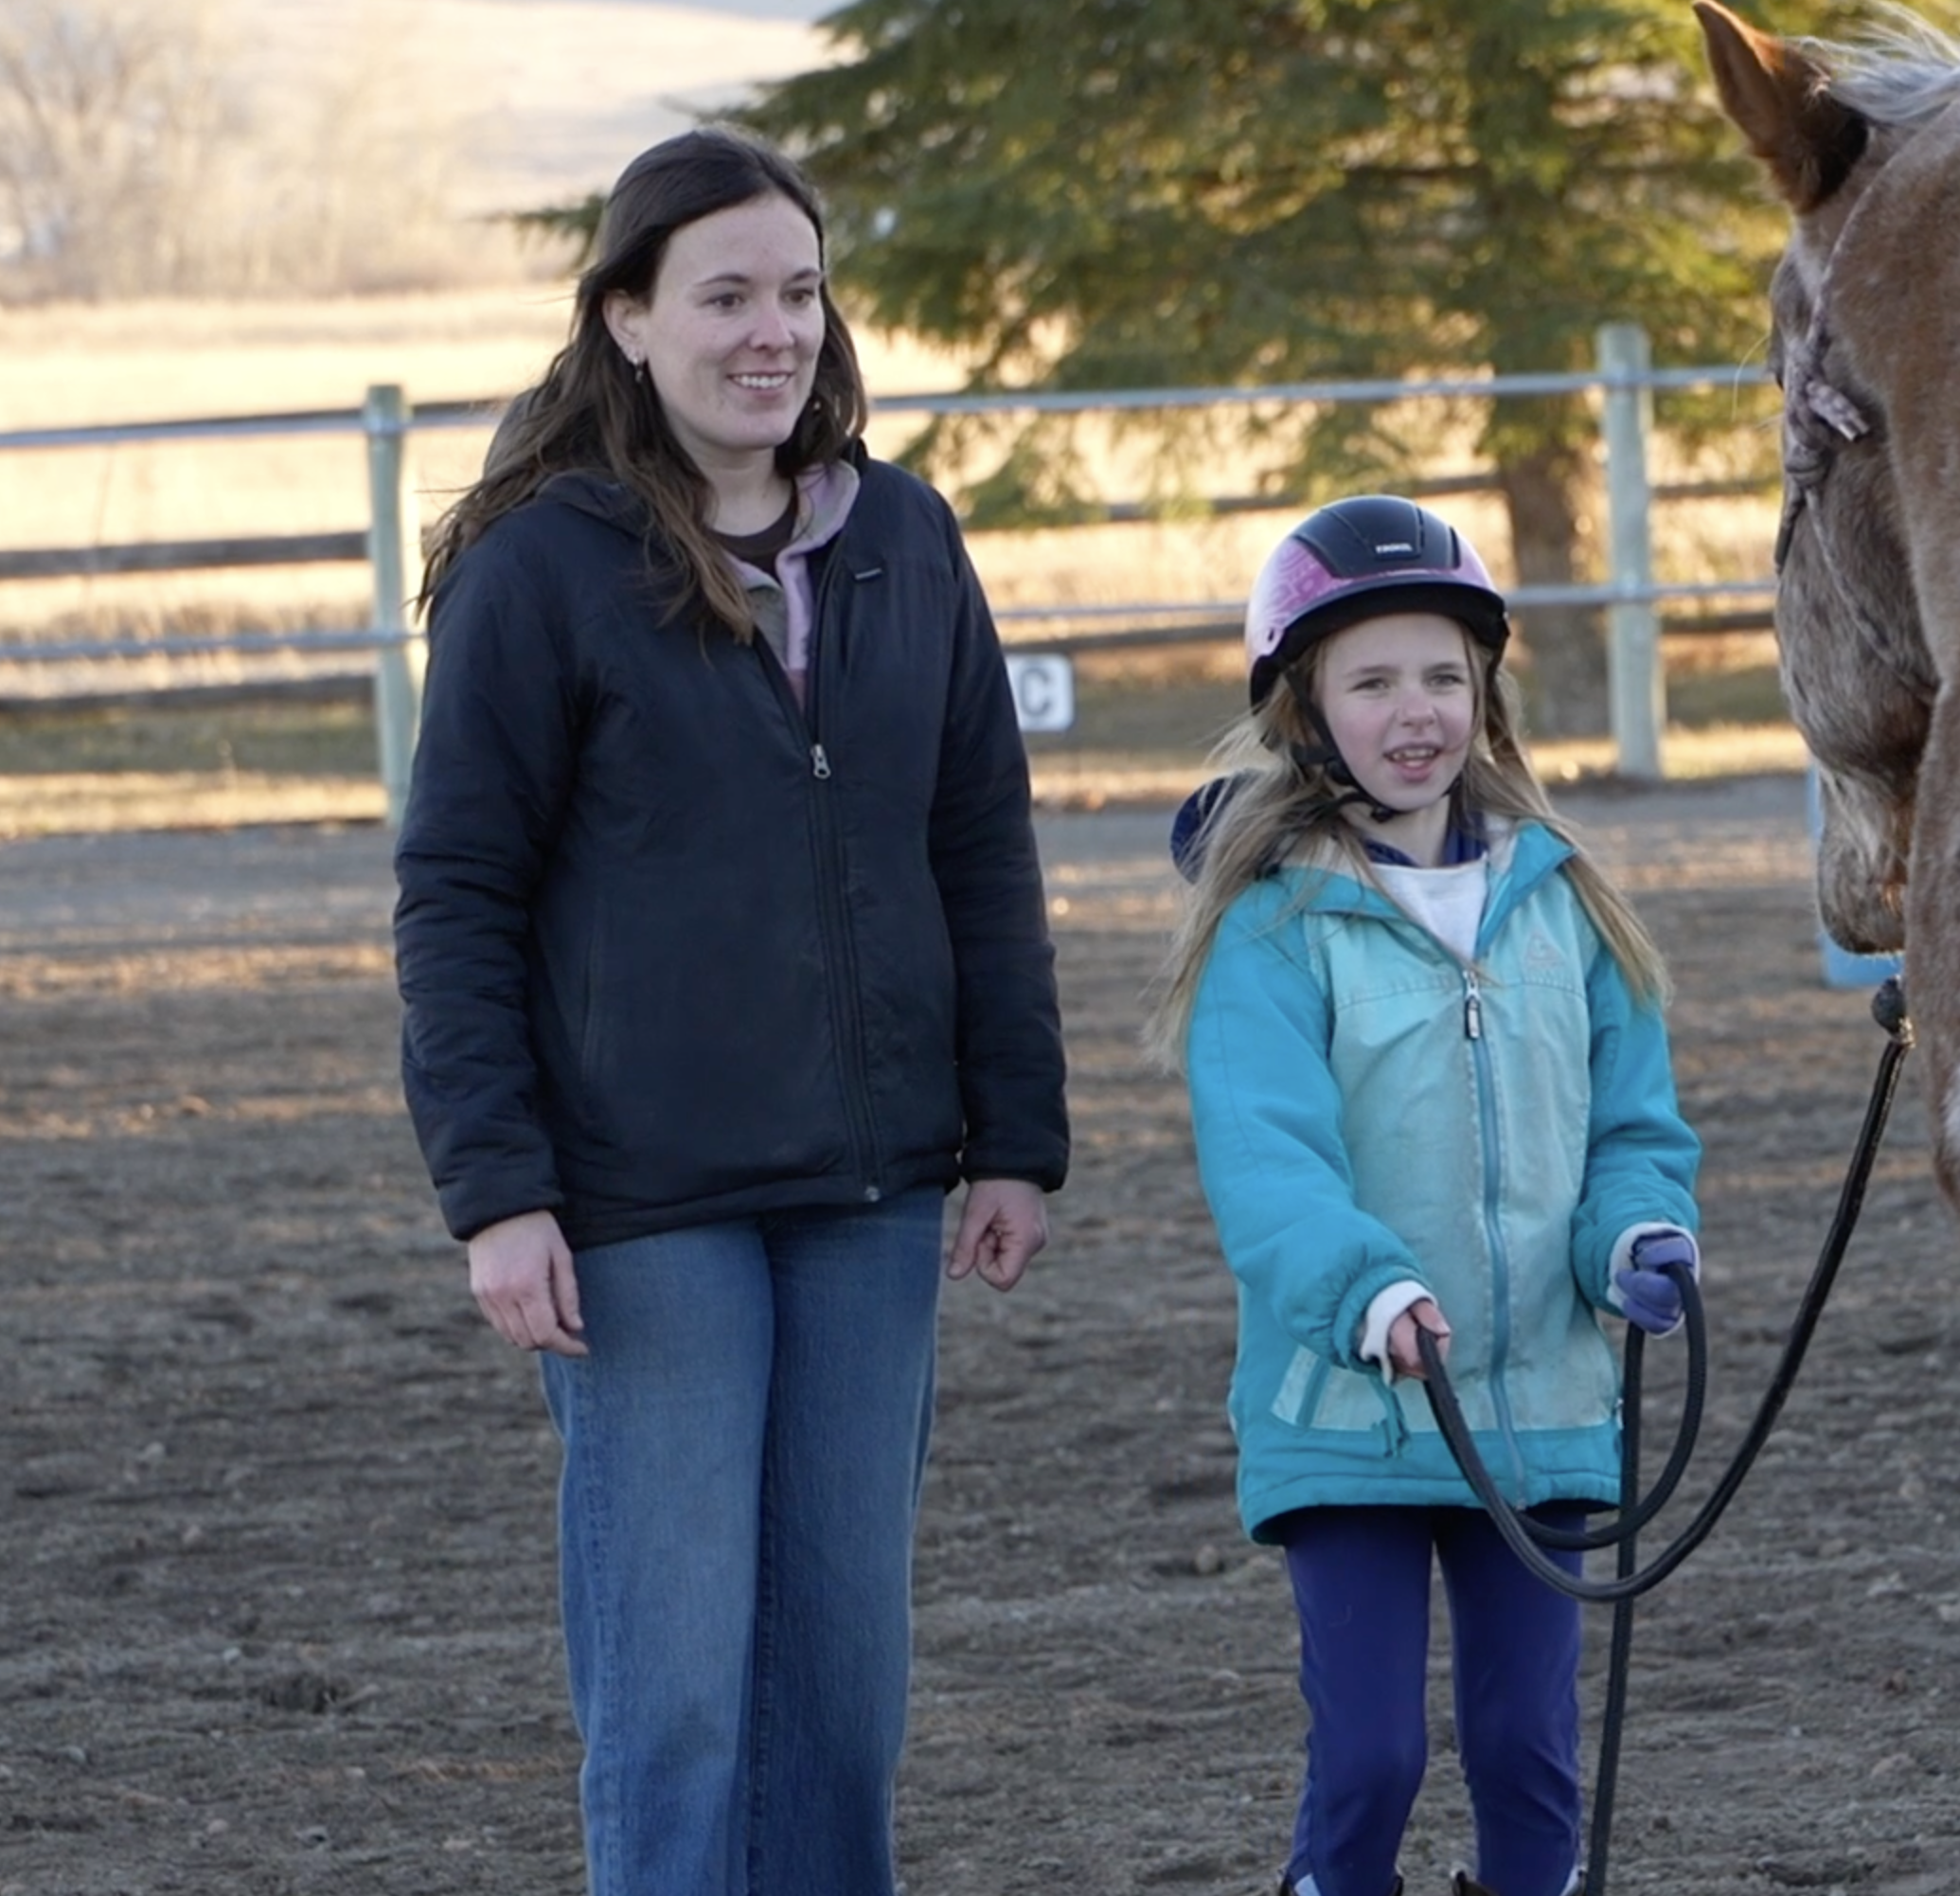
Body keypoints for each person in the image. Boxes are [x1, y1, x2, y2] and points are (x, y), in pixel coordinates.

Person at [390, 124, 1069, 1896]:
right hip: (637, 1208)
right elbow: (456, 891)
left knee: (846, 1695)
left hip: (869, 1195)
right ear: (626, 318)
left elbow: (982, 848)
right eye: (723, 296)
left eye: (798, 290)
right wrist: (497, 1187)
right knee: (679, 1694)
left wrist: (1017, 1138)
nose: (771, 330)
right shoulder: (542, 572)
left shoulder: (907, 538)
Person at [1151, 495, 1705, 1896]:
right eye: (1375, 679)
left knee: (1529, 1751)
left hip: (1546, 1407)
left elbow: (1631, 1126)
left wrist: (1636, 1231)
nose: (1417, 712)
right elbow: (1268, 1159)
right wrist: (1365, 1286)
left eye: (1445, 676)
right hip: (1356, 1410)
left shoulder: (1566, 905)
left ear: (1487, 692)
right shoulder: (1271, 926)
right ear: (1304, 708)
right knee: (1373, 1757)